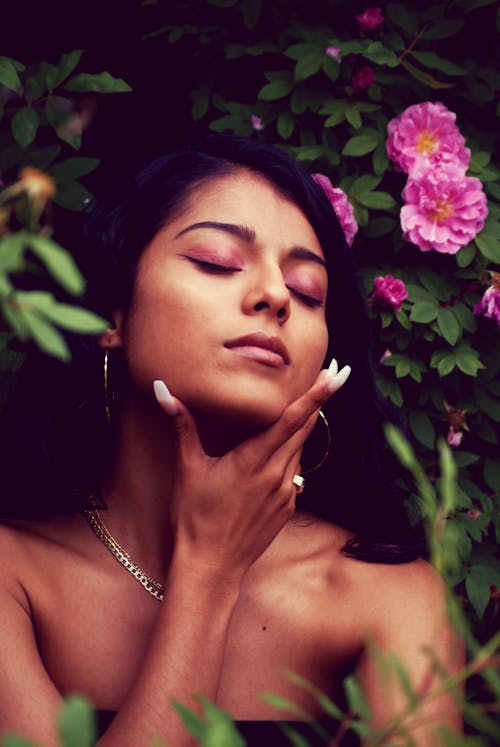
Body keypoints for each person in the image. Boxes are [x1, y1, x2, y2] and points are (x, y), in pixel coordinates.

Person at [0, 136, 463, 747]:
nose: (274, 296)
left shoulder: (387, 597)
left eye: (307, 292)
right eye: (218, 262)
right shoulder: (15, 574)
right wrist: (206, 575)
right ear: (110, 316)